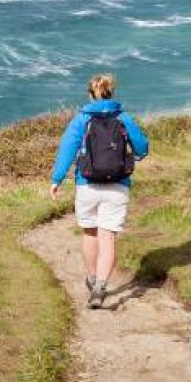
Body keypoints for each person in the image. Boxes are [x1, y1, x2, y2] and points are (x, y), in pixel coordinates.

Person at [49, 73, 150, 309]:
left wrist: (57, 179)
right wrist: (136, 154)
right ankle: (100, 288)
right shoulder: (123, 117)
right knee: (108, 238)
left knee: (90, 234)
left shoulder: (81, 119)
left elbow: (67, 149)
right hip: (118, 185)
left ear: (89, 94)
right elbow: (142, 146)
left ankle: (92, 278)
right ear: (111, 92)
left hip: (87, 185)